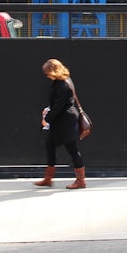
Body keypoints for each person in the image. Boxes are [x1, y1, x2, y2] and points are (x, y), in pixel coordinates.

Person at [34, 58, 87, 189]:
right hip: (61, 120)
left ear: (53, 71)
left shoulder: (62, 84)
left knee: (72, 149)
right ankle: (48, 178)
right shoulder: (64, 81)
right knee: (49, 145)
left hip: (65, 121)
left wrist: (47, 119)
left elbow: (59, 106)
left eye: (48, 72)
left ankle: (81, 181)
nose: (47, 75)